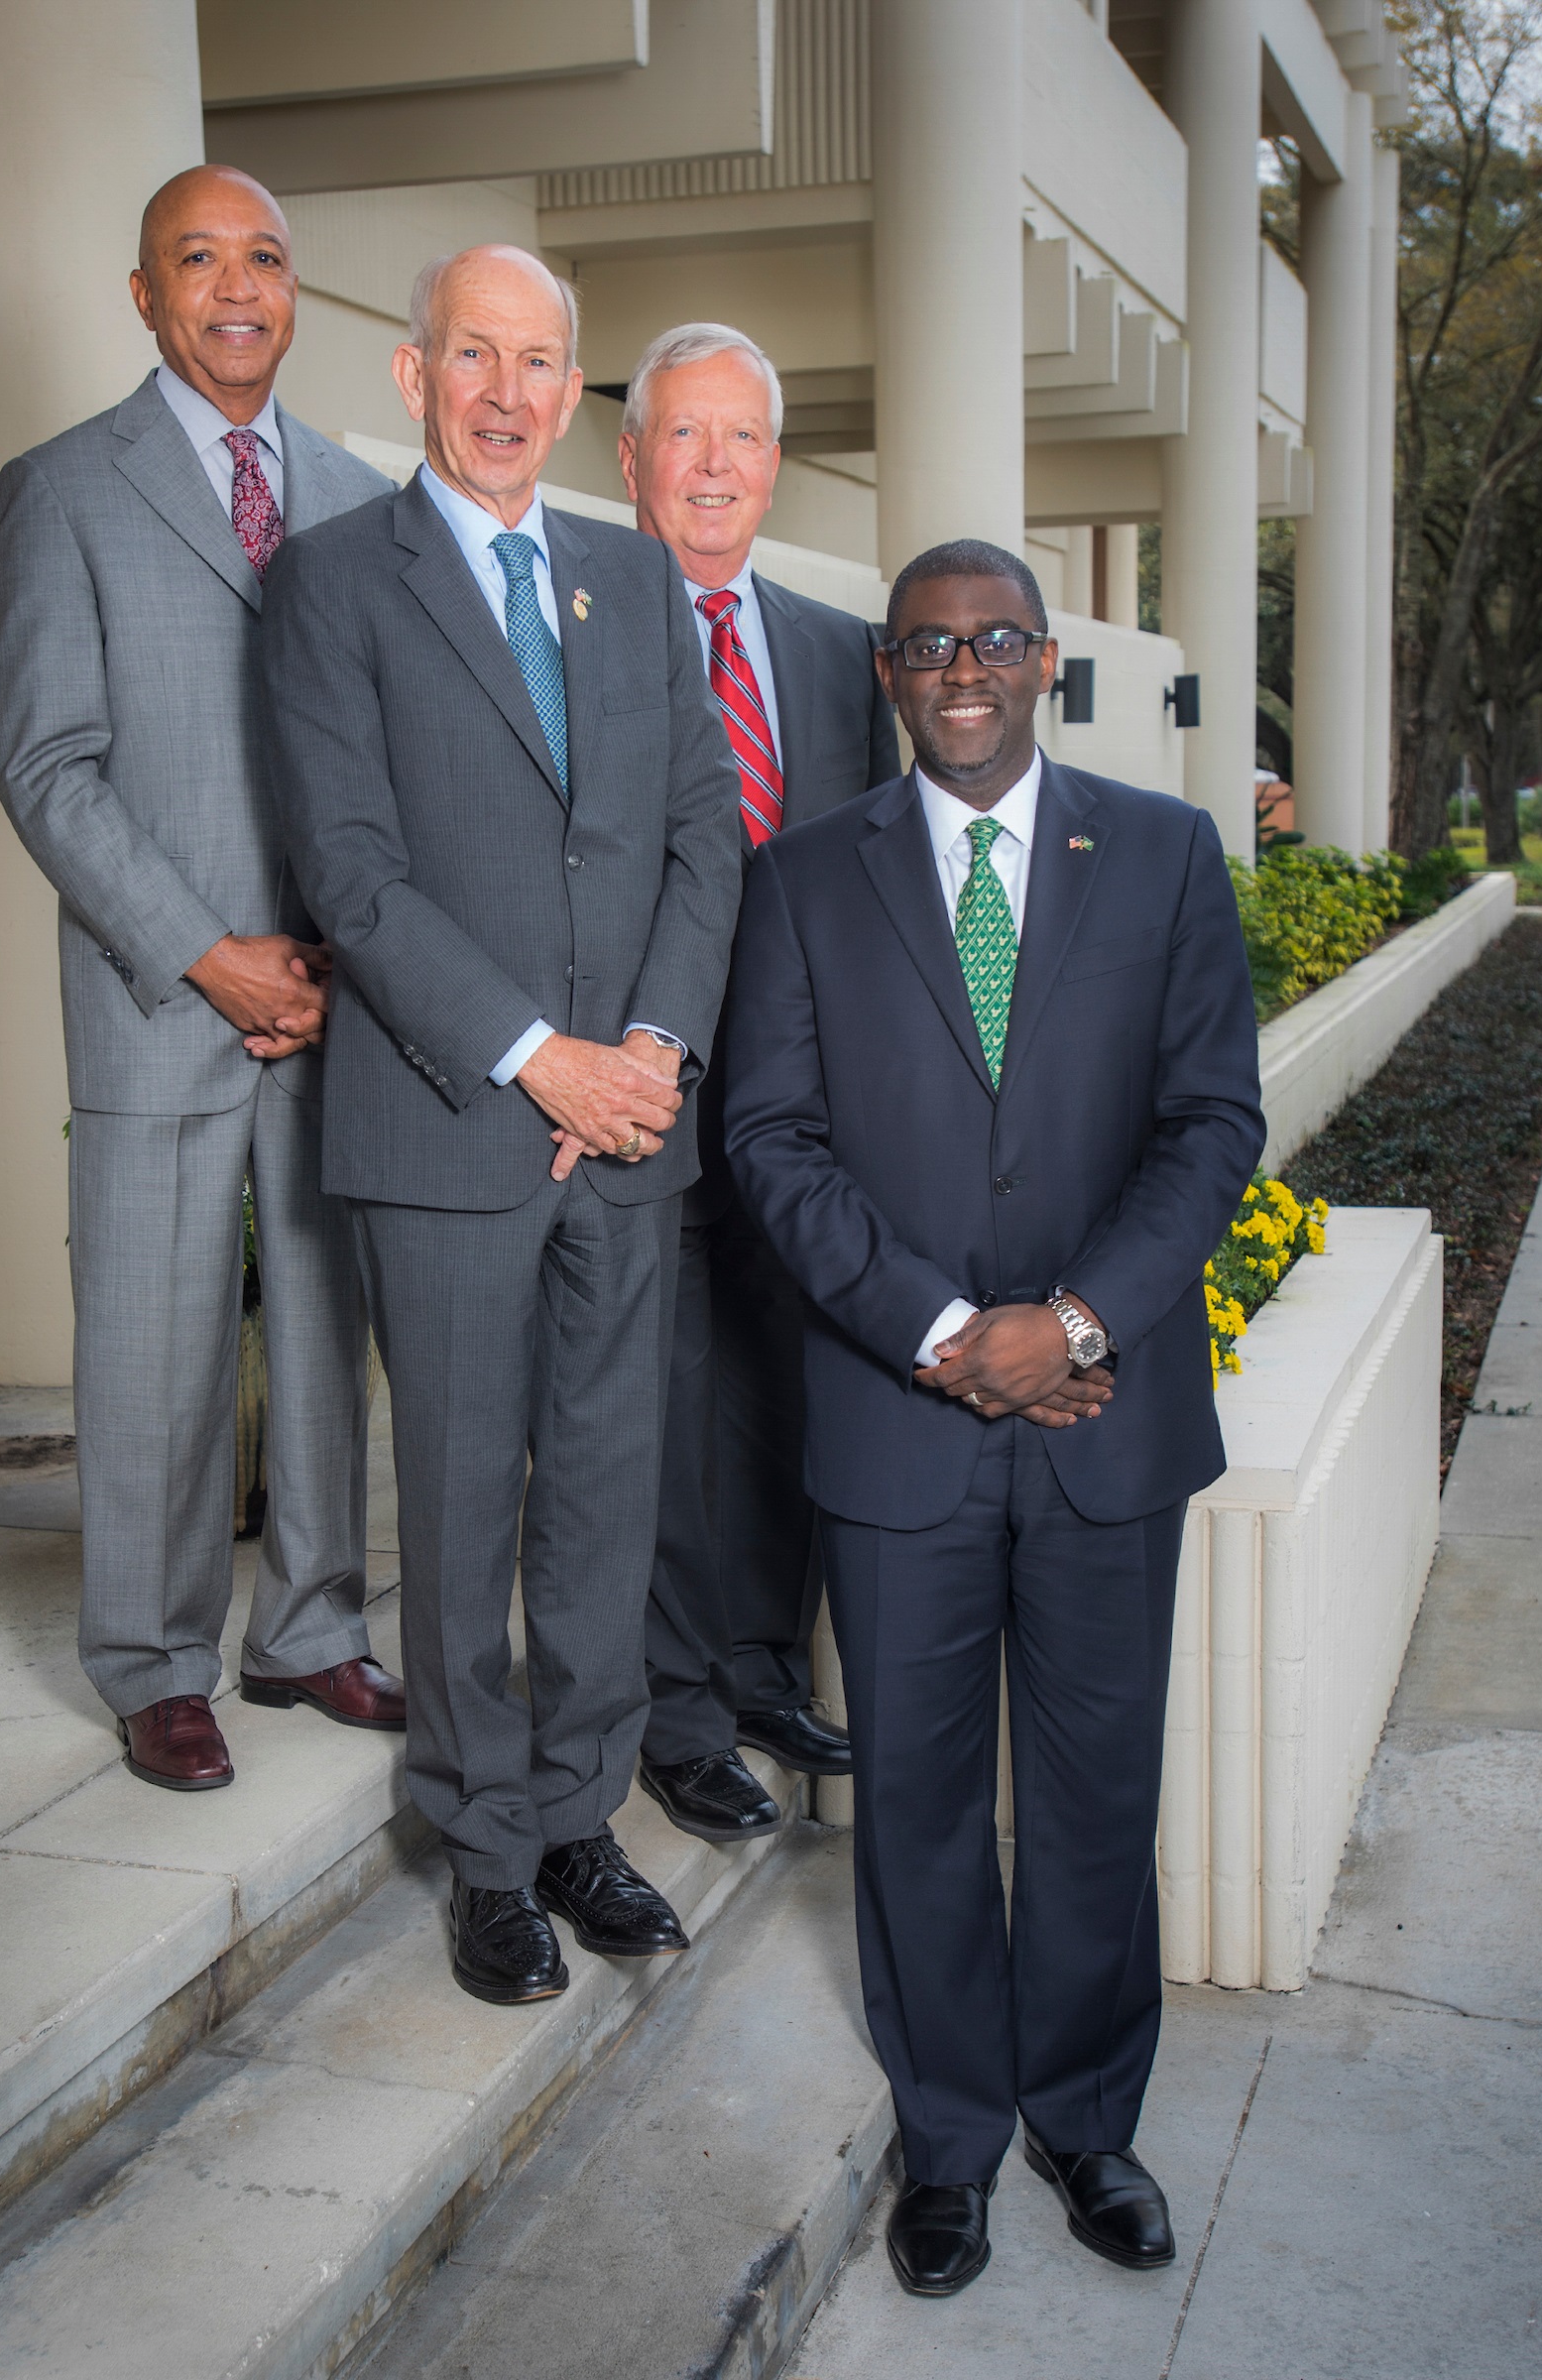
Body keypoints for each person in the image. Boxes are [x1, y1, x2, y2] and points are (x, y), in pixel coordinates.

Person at [724, 539, 1263, 2297]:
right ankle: (949, 2139)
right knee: (927, 1806)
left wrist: (1077, 1319)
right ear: (889, 671)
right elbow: (771, 1144)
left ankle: (1088, 2122)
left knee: (1100, 1792)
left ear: (1045, 666)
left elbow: (1210, 1127)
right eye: (925, 643)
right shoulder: (806, 877)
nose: (960, 667)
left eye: (993, 639)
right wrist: (954, 1334)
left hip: (1108, 1414)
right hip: (902, 1432)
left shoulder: (1169, 853)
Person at [262, 247, 742, 2004]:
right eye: (478, 354)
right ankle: (480, 1848)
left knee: (606, 1501)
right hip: (453, 1127)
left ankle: (574, 1815)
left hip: (631, 1127)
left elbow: (705, 836)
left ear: (574, 389)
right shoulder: (330, 585)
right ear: (415, 375)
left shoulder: (631, 578)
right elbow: (354, 878)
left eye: (542, 363)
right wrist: (543, 1058)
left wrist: (653, 1054)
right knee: (463, 1505)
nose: (510, 392)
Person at [0, 166, 403, 1792]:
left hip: (332, 1001)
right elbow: (47, 768)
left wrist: (338, 959)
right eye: (199, 260)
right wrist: (206, 953)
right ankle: (154, 1661)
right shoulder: (65, 488)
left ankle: (308, 1627)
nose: (238, 286)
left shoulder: (362, 498)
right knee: (151, 1345)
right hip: (163, 991)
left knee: (323, 1326)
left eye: (268, 259)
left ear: (297, 293)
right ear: (145, 294)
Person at [617, 324, 898, 1845]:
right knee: (655, 1406)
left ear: (775, 467)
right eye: (684, 435)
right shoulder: (582, 621)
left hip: (799, 1108)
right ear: (633, 459)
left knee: (788, 1385)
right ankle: (672, 1709)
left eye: (741, 439)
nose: (714, 466)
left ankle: (763, 1666)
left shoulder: (827, 652)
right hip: (639, 1090)